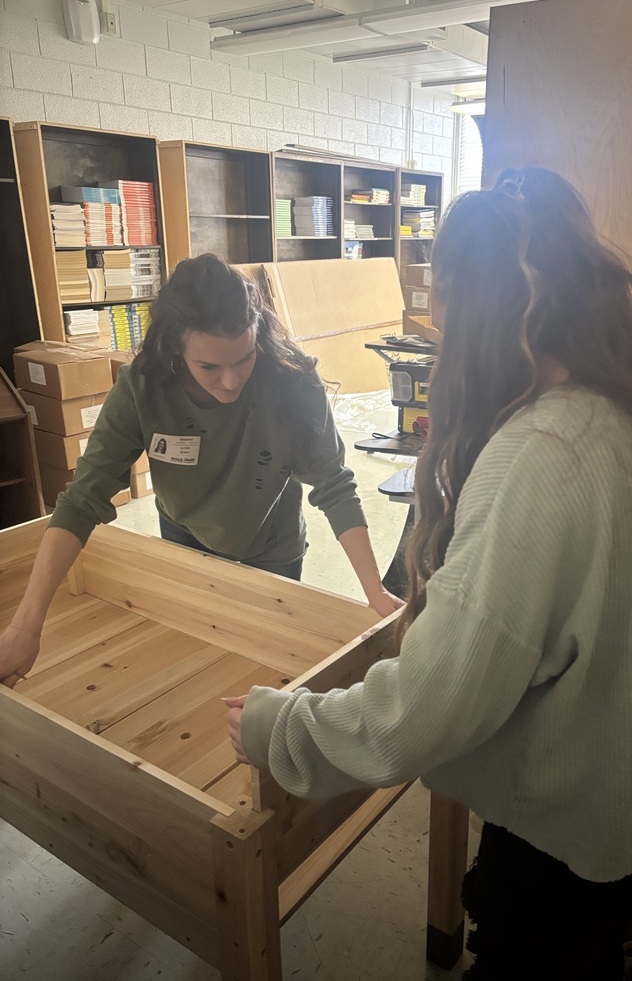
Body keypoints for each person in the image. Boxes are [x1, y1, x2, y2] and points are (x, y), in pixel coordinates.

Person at [225, 168, 632, 981]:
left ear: (475, 314)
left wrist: (281, 726)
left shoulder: (542, 456)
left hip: (577, 838)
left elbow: (428, 706)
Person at [0, 253, 400, 690]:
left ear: (258, 336)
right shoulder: (143, 388)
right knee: (198, 664)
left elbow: (335, 485)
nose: (230, 380)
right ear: (175, 347)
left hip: (271, 543)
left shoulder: (292, 381)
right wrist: (26, 624)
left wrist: (373, 591)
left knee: (265, 670)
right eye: (209, 366)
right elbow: (81, 501)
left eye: (244, 359)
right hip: (184, 536)